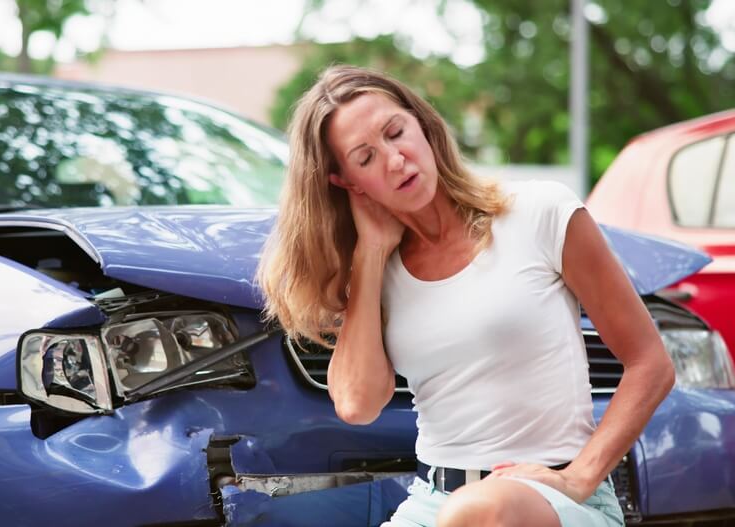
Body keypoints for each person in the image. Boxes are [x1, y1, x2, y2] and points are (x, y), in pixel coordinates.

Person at [256, 65, 675, 527]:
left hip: (555, 502)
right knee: (466, 512)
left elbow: (651, 363)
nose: (395, 160)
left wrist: (581, 477)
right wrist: (371, 253)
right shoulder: (377, 275)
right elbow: (357, 404)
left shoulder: (540, 213)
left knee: (479, 511)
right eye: (366, 158)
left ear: (423, 124)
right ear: (348, 183)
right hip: (433, 501)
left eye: (396, 133)